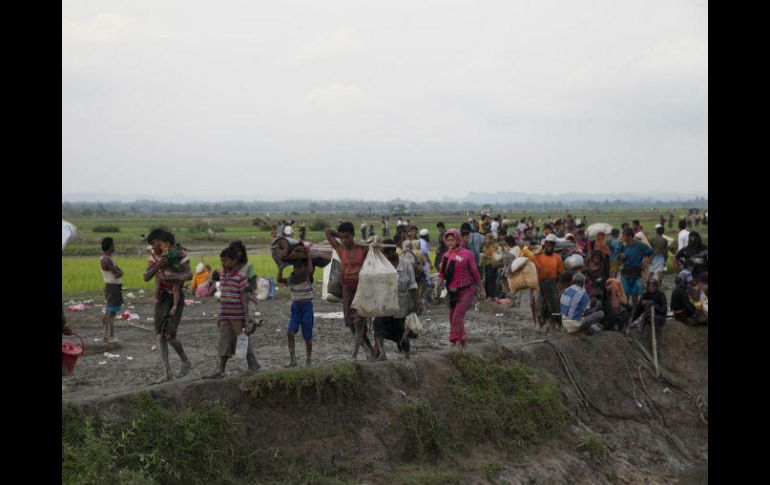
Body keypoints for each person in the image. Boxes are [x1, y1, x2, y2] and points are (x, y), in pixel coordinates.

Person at [143, 229, 192, 383]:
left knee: (169, 335)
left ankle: (185, 361)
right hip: (163, 297)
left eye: (154, 243)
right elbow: (146, 276)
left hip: (175, 295)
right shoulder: (154, 257)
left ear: (162, 242)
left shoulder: (178, 253)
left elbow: (189, 275)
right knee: (160, 335)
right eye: (152, 244)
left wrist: (174, 277)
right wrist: (158, 266)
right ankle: (167, 373)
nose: (153, 247)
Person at [326, 222, 375, 360]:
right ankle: (367, 348)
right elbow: (327, 231)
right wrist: (338, 235)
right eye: (342, 238)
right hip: (347, 290)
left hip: (361, 290)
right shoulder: (340, 249)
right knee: (350, 323)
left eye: (347, 237)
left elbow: (376, 253)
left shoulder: (363, 250)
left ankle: (356, 354)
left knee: (359, 322)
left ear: (353, 235)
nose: (344, 240)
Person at [203, 247, 255, 379]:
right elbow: (223, 298)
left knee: (242, 341)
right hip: (225, 316)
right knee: (224, 341)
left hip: (237, 316)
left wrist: (246, 319)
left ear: (234, 261)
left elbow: (244, 299)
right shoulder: (222, 276)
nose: (223, 263)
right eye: (222, 261)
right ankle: (221, 370)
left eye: (226, 261)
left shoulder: (239, 278)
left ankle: (252, 366)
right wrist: (220, 316)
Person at [434, 228, 484, 349]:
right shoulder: (446, 256)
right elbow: (441, 274)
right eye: (448, 240)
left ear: (458, 239)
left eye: (453, 239)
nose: (450, 242)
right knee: (452, 316)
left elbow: (475, 273)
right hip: (452, 291)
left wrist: (482, 289)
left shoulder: (467, 254)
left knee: (458, 315)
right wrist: (437, 287)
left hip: (467, 290)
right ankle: (462, 341)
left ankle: (456, 341)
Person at [372, 240, 418, 360]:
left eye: (388, 252)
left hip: (401, 305)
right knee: (378, 324)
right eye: (384, 253)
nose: (387, 255)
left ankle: (406, 353)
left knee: (400, 330)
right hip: (384, 304)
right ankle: (382, 353)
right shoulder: (379, 265)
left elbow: (413, 285)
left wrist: (415, 304)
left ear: (394, 251)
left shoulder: (406, 264)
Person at [277, 250, 314, 367]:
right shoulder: (291, 279)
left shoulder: (307, 278)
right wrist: (281, 268)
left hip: (307, 308)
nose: (297, 269)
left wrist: (308, 256)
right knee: (290, 333)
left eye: (299, 267)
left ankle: (308, 360)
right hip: (296, 308)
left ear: (304, 268)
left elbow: (310, 270)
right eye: (295, 267)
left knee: (307, 336)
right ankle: (293, 360)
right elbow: (279, 280)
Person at [532, 234, 565, 332]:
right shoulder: (538, 256)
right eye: (548, 243)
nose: (549, 245)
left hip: (552, 283)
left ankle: (551, 323)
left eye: (551, 244)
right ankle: (539, 324)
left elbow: (559, 273)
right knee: (540, 303)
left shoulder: (557, 258)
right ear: (545, 244)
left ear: (554, 246)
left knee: (553, 304)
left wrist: (559, 286)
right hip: (540, 283)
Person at [619, 227, 655, 309]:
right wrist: (621, 257)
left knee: (635, 294)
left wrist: (646, 262)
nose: (623, 238)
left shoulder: (640, 245)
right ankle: (626, 310)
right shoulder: (623, 246)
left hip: (636, 272)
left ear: (630, 237)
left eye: (624, 236)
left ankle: (635, 310)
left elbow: (652, 253)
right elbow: (620, 259)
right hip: (626, 273)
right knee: (626, 294)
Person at [629, 280, 667, 354]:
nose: (651, 288)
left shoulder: (661, 295)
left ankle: (657, 346)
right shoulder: (645, 295)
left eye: (652, 286)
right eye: (649, 286)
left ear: (656, 287)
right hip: (648, 316)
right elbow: (638, 310)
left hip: (659, 316)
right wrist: (632, 319)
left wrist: (654, 304)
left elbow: (664, 310)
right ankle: (642, 326)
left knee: (657, 321)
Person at [100, 237, 124, 343]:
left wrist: (119, 271)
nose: (114, 246)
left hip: (113, 287)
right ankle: (110, 336)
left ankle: (106, 336)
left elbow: (118, 271)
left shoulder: (108, 258)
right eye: (113, 244)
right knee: (111, 312)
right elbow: (117, 273)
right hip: (112, 287)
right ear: (110, 246)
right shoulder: (107, 259)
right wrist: (120, 272)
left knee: (109, 311)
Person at [481, 233, 500, 301]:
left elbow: (494, 257)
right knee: (488, 280)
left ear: (491, 239)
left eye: (489, 238)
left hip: (491, 265)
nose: (487, 240)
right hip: (486, 265)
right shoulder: (485, 246)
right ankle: (490, 295)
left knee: (491, 281)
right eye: (486, 238)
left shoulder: (493, 247)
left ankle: (491, 296)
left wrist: (485, 256)